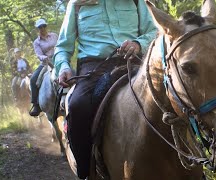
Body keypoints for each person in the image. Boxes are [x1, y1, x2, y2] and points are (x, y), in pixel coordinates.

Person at [53, 0, 158, 178]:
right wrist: (63, 67)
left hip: (136, 62)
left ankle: (197, 158)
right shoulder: (77, 4)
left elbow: (155, 31)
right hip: (94, 68)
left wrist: (138, 44)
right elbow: (63, 46)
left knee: (173, 95)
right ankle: (87, 172)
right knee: (78, 106)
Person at [29, 18, 58, 116]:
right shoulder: (36, 42)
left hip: (58, 60)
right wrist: (45, 58)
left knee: (73, 71)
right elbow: (38, 54)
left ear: (46, 26)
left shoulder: (54, 36)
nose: (42, 28)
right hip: (46, 64)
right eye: (40, 27)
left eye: (43, 26)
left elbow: (61, 46)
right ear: (38, 29)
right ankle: (36, 105)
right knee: (33, 79)